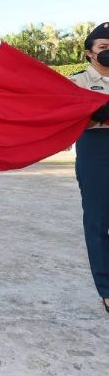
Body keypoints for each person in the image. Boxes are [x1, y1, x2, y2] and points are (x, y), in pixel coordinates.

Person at [70, 22, 109, 314]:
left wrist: (99, 112)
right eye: (103, 48)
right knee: (97, 220)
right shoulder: (77, 82)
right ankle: (106, 289)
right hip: (95, 149)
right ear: (89, 53)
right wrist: (96, 116)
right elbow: (77, 120)